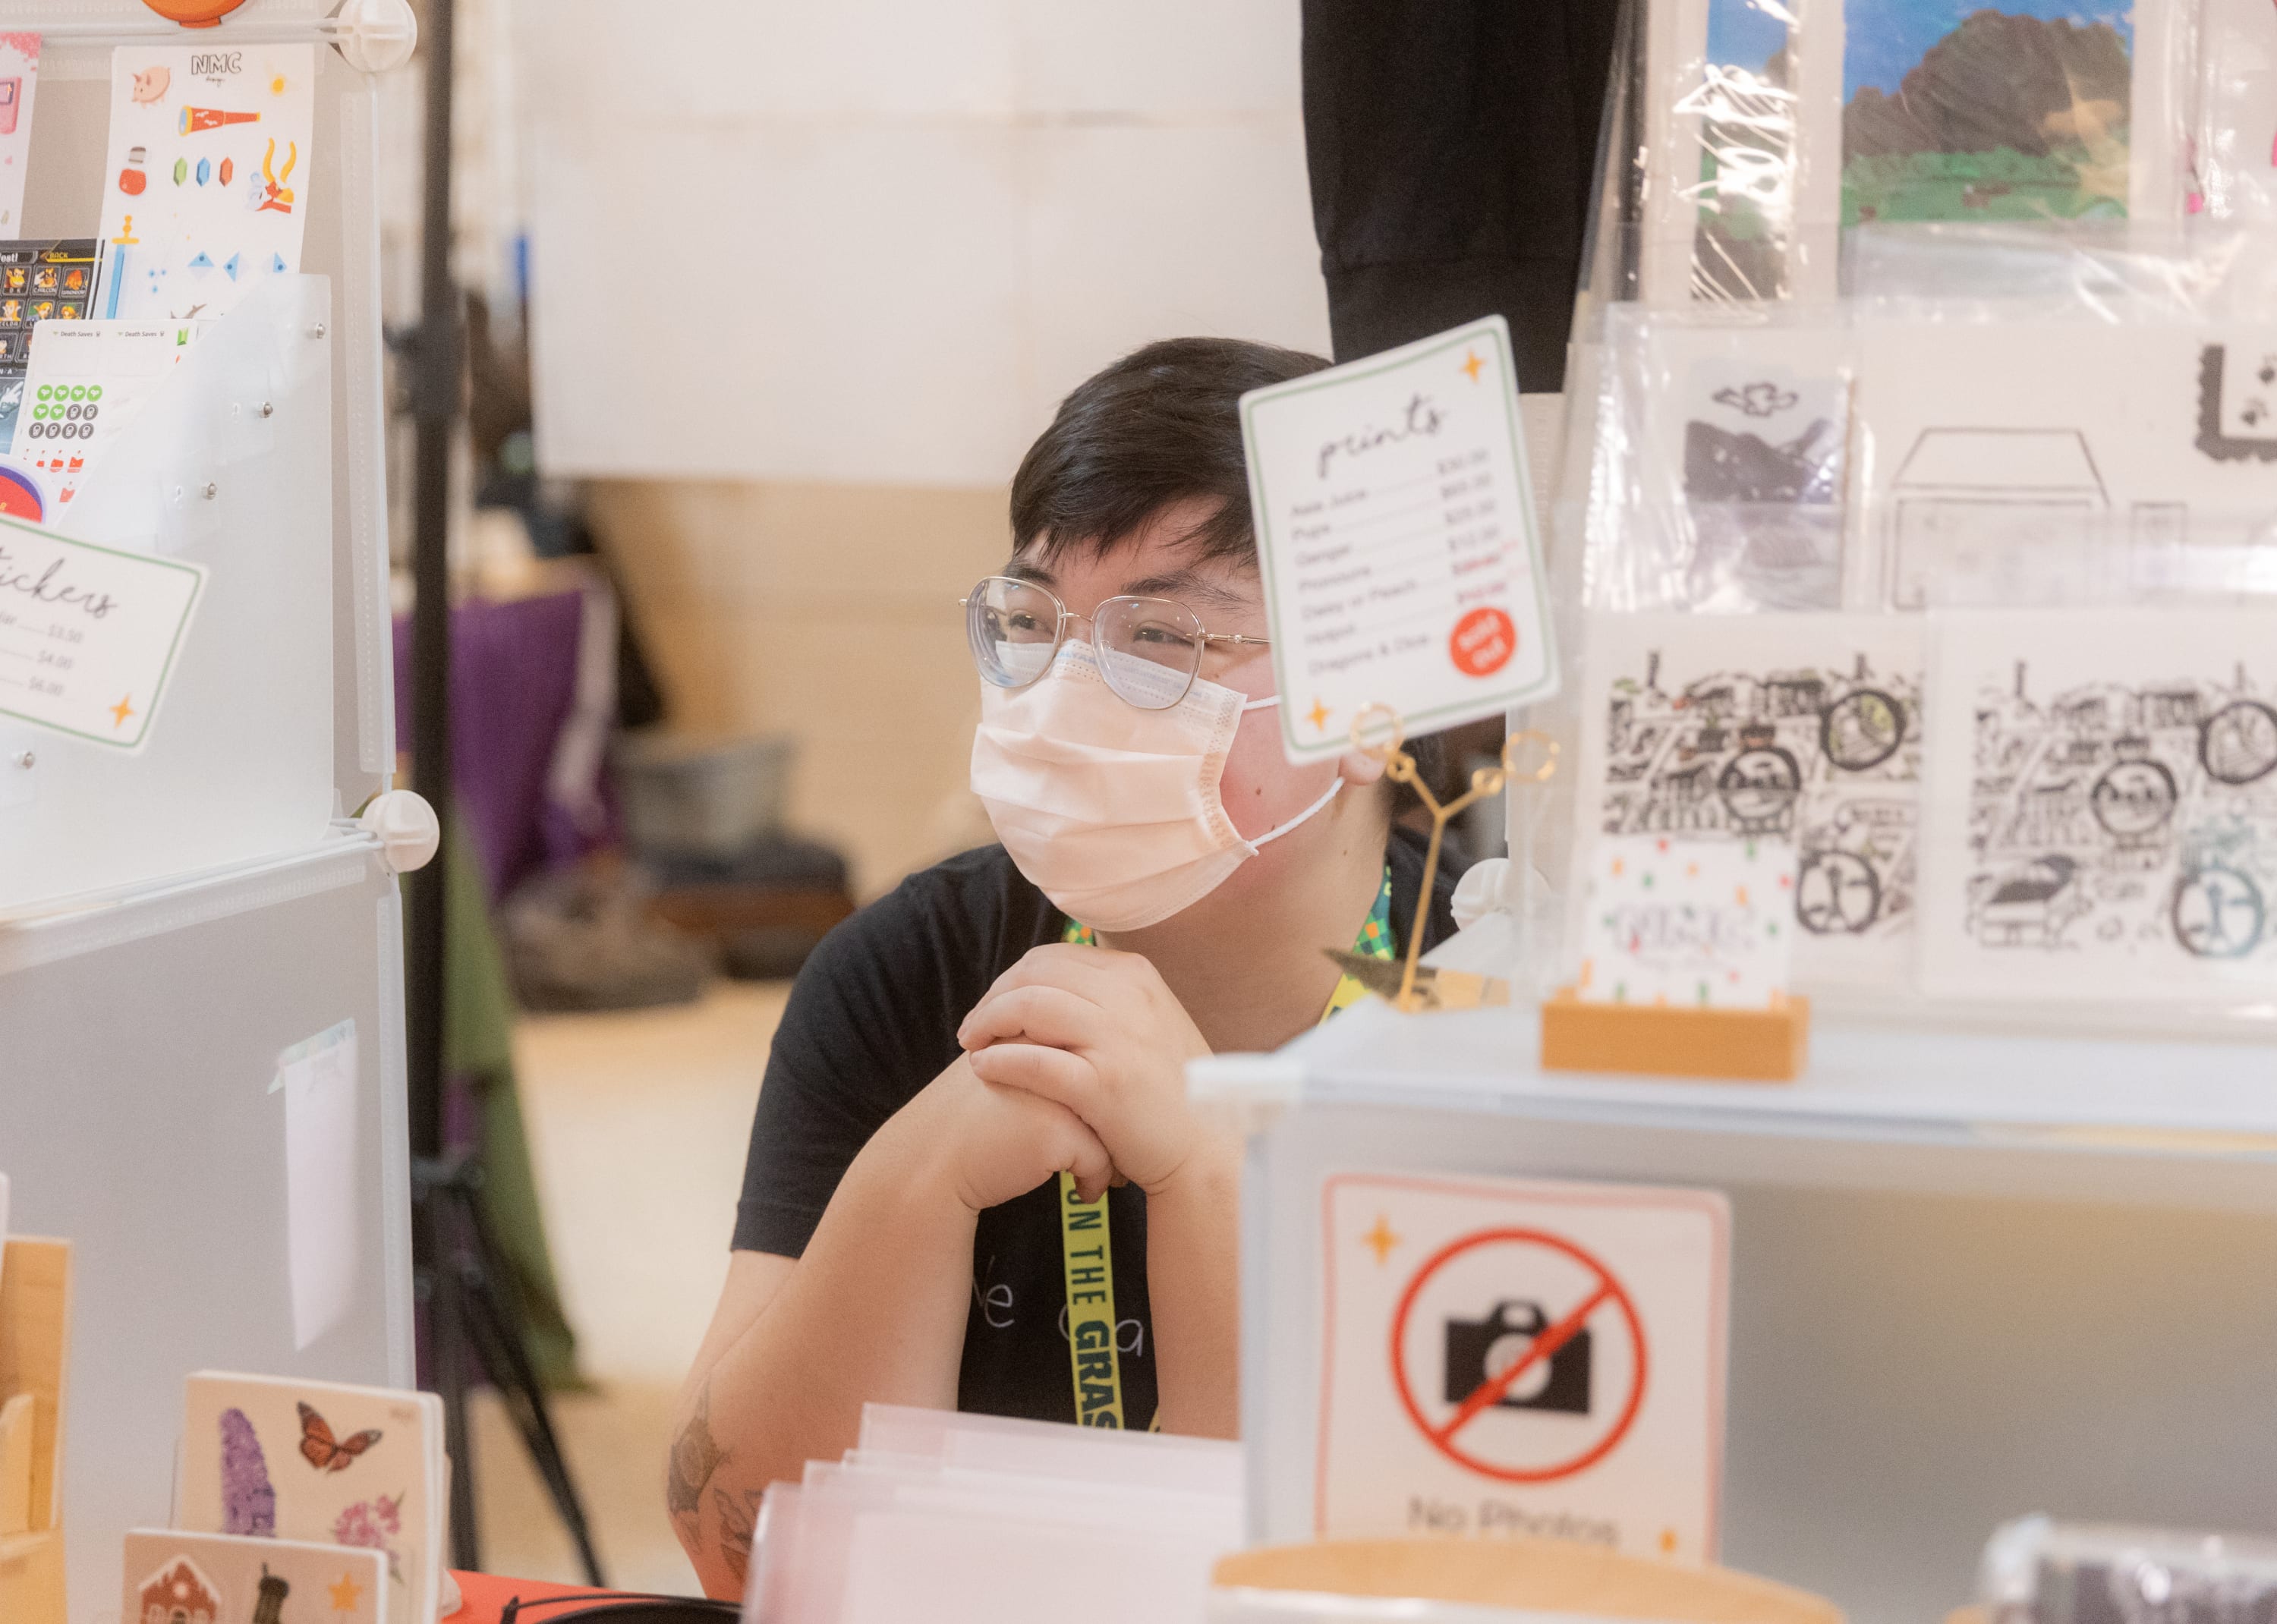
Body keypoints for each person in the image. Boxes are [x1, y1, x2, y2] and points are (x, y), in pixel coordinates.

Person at [669, 338, 1466, 1597]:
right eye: (1033, 626)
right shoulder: (909, 970)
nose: (1068, 698)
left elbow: (1328, 1585)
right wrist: (921, 1175)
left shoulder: (1515, 1001)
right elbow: (731, 1549)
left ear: (1368, 705)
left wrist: (1205, 1166)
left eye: (1159, 641)